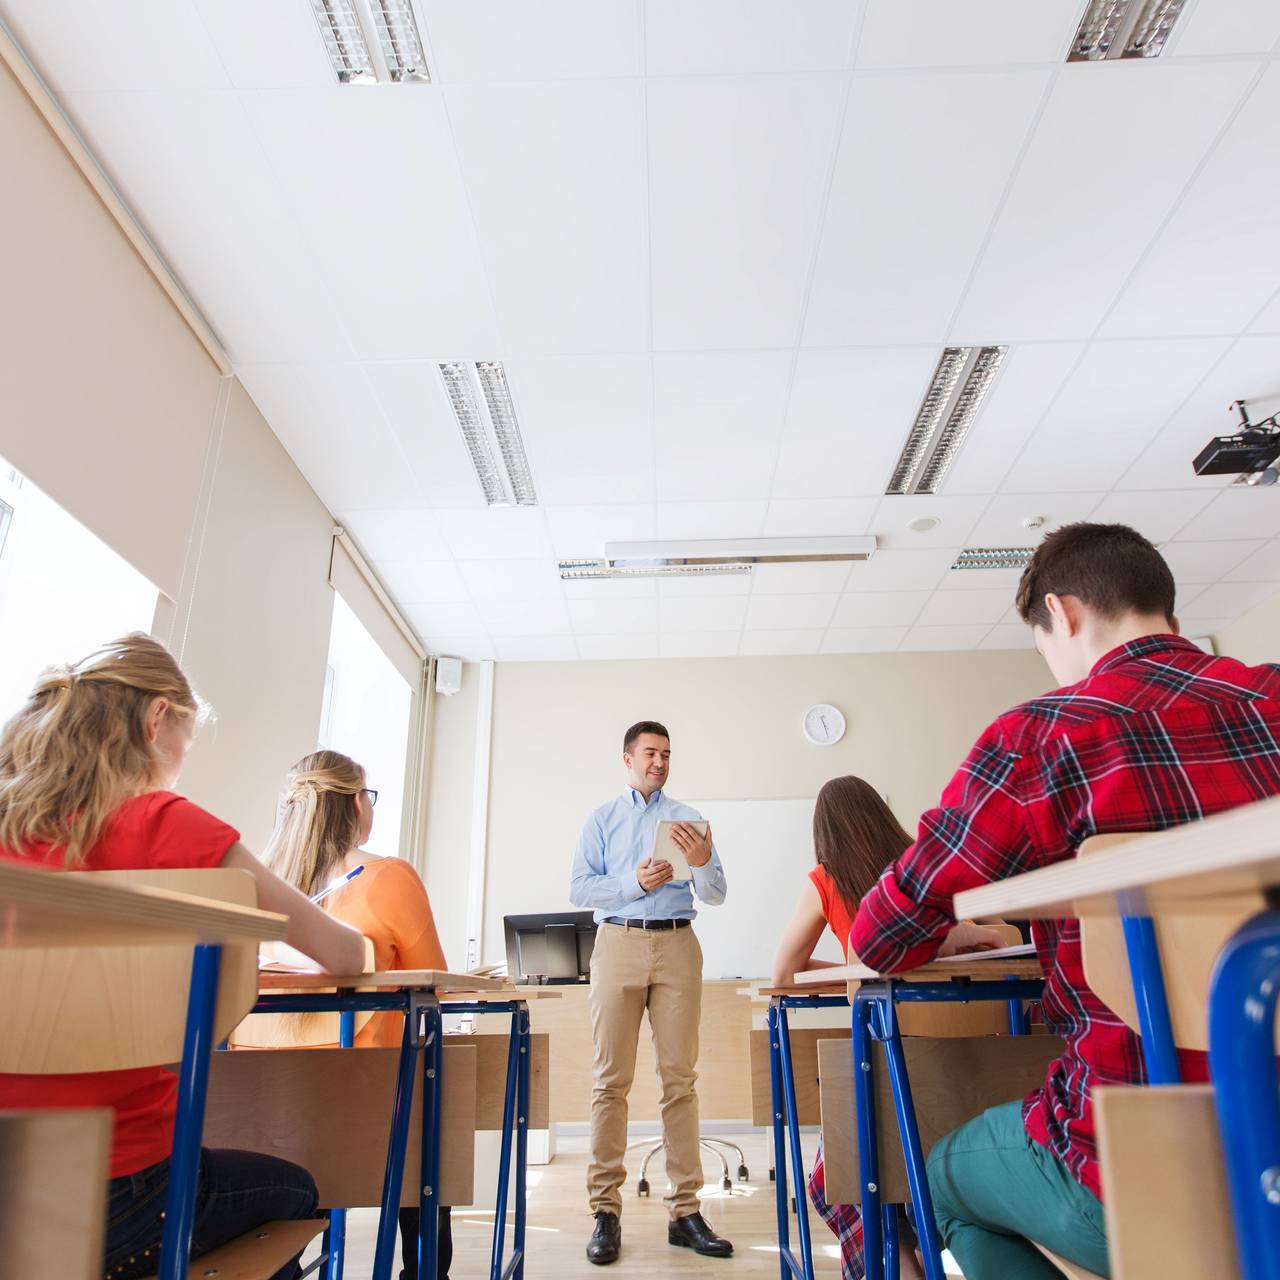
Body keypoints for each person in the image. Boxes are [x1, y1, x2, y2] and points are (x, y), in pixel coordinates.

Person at [849, 522, 1280, 1280]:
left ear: (1065, 613)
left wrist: (949, 927)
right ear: (1169, 616)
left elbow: (880, 936)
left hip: (1137, 1166)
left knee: (937, 1177)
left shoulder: (1042, 735)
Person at [0, 634, 368, 1280]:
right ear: (156, 719)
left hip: (11, 1191)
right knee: (301, 1193)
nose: (180, 767)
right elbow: (343, 952)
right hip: (128, 1203)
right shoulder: (164, 822)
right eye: (185, 746)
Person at [771, 776, 1004, 1280]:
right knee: (906, 1158)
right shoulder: (923, 866)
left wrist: (852, 965)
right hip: (970, 1071)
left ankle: (897, 1267)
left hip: (881, 1062)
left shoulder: (826, 879)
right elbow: (988, 939)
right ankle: (920, 1252)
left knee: (834, 1177)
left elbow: (784, 974)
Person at [258, 749, 451, 1280]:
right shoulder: (385, 877)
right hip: (366, 1105)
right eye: (368, 794)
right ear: (352, 805)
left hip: (262, 1108)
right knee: (433, 1109)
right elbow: (432, 979)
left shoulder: (260, 889)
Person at [568, 720, 731, 1266]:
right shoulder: (601, 820)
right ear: (627, 759)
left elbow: (717, 893)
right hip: (617, 942)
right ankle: (605, 1212)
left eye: (666, 754)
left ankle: (685, 1211)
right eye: (650, 753)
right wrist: (635, 883)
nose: (659, 762)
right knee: (609, 1081)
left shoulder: (687, 820)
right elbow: (579, 888)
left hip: (679, 946)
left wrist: (704, 860)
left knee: (679, 1081)